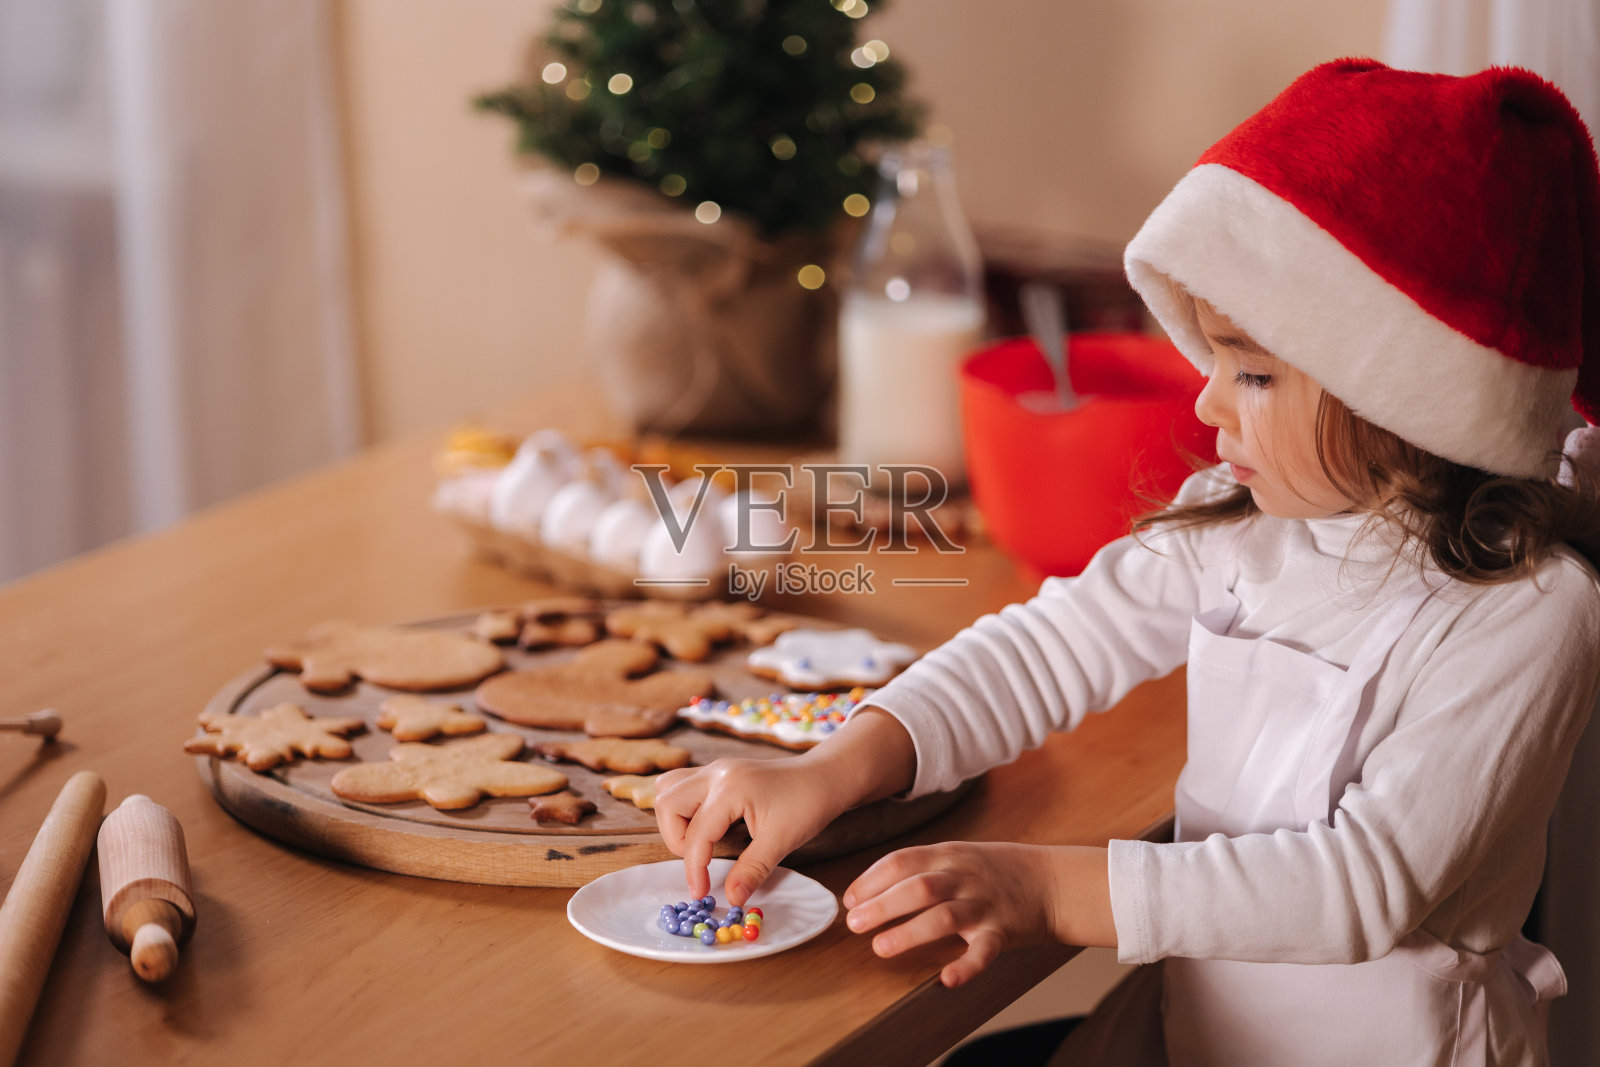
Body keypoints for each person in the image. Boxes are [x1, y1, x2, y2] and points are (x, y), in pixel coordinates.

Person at [654, 58, 1600, 1065]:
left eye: (1250, 370)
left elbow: (1359, 886)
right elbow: (1050, 646)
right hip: (1198, 1034)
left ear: (1403, 394)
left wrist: (1045, 886)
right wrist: (837, 765)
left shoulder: (1528, 611)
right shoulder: (1240, 522)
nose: (1205, 402)